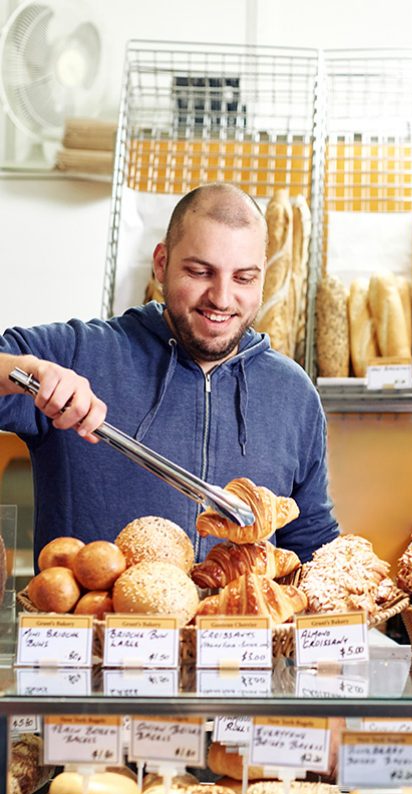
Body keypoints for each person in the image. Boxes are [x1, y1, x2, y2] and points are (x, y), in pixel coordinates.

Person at [0, 183, 339, 567]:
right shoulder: (81, 352)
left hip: (236, 626)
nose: (222, 298)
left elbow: (311, 544)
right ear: (161, 263)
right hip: (93, 625)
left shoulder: (293, 394)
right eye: (199, 272)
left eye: (244, 278)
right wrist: (27, 371)